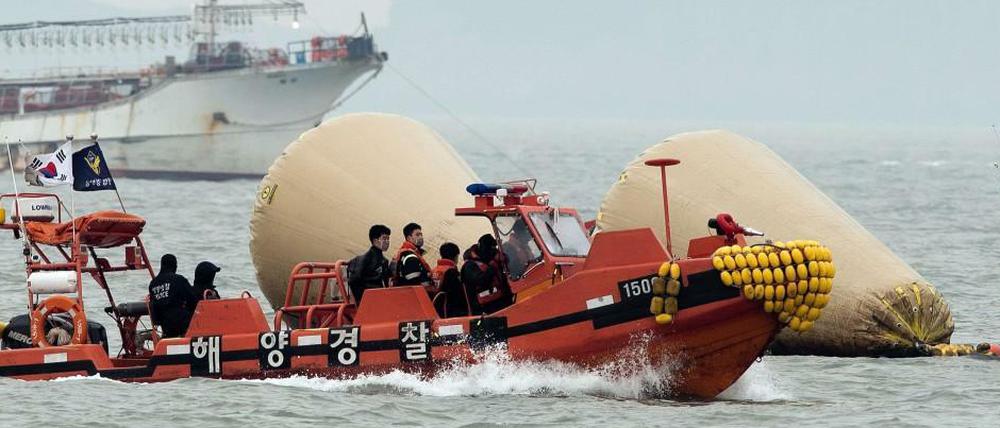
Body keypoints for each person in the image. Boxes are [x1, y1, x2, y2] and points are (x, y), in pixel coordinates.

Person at [148, 254, 199, 338]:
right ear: (175, 266)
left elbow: (155, 306)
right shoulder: (179, 279)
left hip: (165, 327)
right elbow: (194, 301)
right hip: (182, 323)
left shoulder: (153, 283)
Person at [461, 234, 513, 314]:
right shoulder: (470, 266)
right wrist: (494, 264)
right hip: (484, 310)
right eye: (491, 248)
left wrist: (502, 258)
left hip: (502, 303)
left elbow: (507, 262)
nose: (494, 250)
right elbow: (481, 280)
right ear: (485, 249)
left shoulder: (489, 258)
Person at [347, 224, 391, 303]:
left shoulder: (384, 261)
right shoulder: (365, 259)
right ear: (375, 240)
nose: (387, 242)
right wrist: (361, 301)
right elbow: (353, 281)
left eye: (388, 238)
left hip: (380, 298)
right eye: (384, 238)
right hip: (369, 301)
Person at [432, 242, 472, 317]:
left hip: (436, 309)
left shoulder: (434, 270)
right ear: (456, 256)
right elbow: (458, 295)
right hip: (449, 312)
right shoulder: (451, 272)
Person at [393, 222, 433, 289]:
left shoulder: (404, 252)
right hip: (412, 296)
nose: (421, 237)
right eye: (417, 235)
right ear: (409, 238)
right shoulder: (410, 257)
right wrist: (427, 275)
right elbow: (414, 284)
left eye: (421, 234)